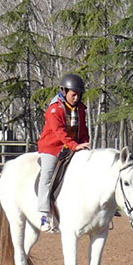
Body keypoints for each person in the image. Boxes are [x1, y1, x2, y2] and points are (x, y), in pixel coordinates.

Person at [36, 73, 90, 232]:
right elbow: (59, 132)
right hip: (53, 148)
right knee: (47, 175)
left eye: (79, 95)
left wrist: (85, 143)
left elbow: (83, 129)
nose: (76, 98)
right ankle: (44, 214)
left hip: (74, 146)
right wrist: (74, 146)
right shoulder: (55, 109)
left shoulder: (80, 109)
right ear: (64, 92)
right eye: (74, 94)